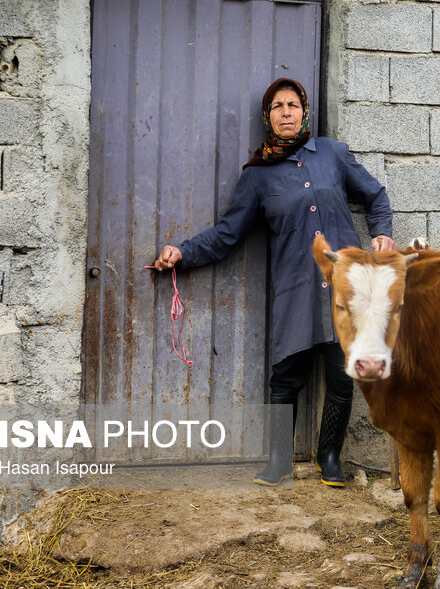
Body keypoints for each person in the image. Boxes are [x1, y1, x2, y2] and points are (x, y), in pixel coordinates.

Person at [153, 77, 395, 488]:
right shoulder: (258, 176)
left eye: (294, 104)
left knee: (342, 374)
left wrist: (382, 231)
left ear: (304, 112)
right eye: (278, 106)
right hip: (296, 288)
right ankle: (279, 461)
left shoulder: (332, 154)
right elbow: (228, 233)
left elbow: (375, 195)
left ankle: (329, 458)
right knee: (286, 376)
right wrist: (183, 252)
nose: (287, 112)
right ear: (268, 117)